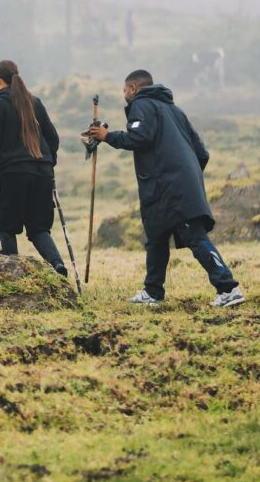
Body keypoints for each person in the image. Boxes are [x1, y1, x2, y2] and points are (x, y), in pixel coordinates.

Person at [88, 69, 245, 307]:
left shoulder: (142, 104)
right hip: (169, 186)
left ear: (133, 89)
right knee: (156, 237)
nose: (125, 96)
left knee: (194, 236)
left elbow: (139, 137)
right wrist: (188, 175)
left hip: (169, 187)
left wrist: (106, 136)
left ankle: (228, 288)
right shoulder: (175, 110)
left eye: (124, 91)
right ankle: (153, 292)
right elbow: (201, 153)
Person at [0, 60, 67, 275]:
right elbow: (52, 138)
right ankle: (57, 265)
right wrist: (47, 162)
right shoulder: (34, 102)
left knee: (7, 227)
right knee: (39, 228)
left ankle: (11, 276)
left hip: (14, 174)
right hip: (43, 173)